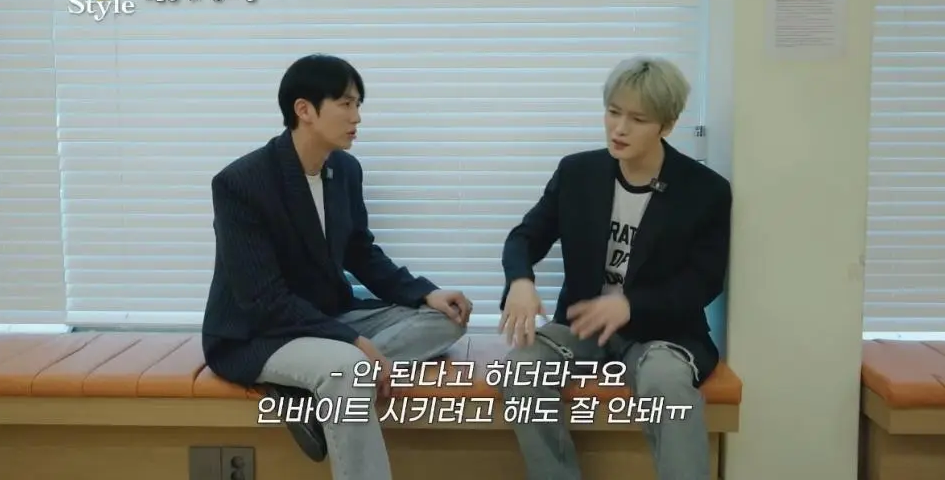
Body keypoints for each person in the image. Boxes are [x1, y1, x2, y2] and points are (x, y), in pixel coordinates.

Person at [201, 54, 472, 480]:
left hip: (326, 316)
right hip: (259, 333)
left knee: (445, 321)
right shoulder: (241, 183)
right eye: (345, 104)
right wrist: (353, 342)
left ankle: (309, 390)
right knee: (349, 368)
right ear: (304, 110)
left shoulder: (344, 170)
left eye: (358, 104)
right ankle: (330, 374)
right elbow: (263, 301)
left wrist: (426, 293)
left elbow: (360, 252)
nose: (356, 117)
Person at [498, 57, 732, 480]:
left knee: (666, 383)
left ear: (666, 125)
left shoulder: (704, 190)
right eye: (613, 112)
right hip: (583, 327)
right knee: (521, 369)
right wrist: (520, 281)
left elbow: (704, 281)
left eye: (637, 119)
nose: (619, 128)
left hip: (662, 332)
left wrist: (630, 305)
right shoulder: (578, 173)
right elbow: (524, 237)